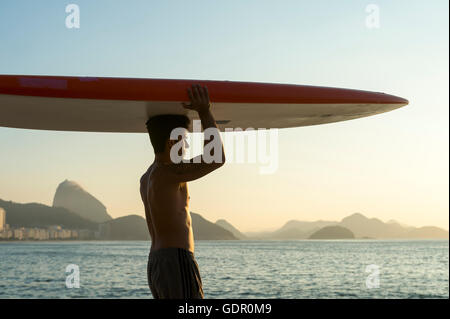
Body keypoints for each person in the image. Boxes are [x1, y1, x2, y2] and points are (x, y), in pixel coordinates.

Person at [140, 84, 226, 299]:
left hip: (159, 262)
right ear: (172, 142)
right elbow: (216, 157)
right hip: (175, 260)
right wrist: (204, 111)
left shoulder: (147, 177)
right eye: (184, 139)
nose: (186, 145)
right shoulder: (168, 173)